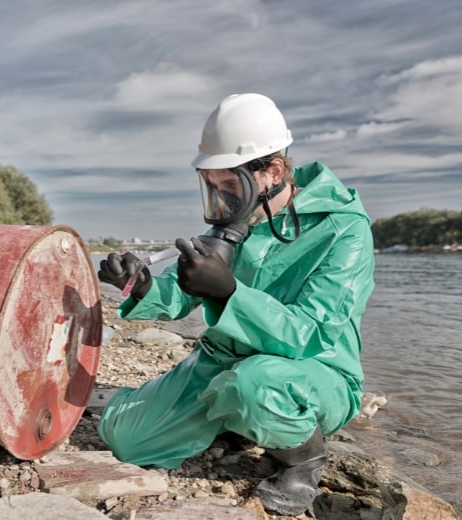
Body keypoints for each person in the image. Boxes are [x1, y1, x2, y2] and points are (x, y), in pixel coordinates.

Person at [96, 93, 375, 516]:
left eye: (230, 185)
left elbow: (315, 332)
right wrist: (140, 285)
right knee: (125, 437)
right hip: (224, 363)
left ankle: (305, 458)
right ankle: (234, 418)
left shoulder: (345, 233)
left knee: (255, 386)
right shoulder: (239, 222)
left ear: (273, 172)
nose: (221, 199)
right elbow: (181, 292)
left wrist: (229, 293)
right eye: (213, 186)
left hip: (315, 372)